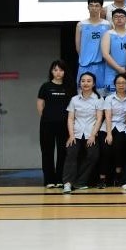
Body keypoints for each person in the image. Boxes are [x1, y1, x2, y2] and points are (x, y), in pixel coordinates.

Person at [61, 71, 103, 193]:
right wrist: (71, 135)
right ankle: (68, 183)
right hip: (76, 133)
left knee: (93, 155)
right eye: (83, 81)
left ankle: (79, 182)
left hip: (91, 133)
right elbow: (70, 118)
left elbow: (99, 119)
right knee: (71, 153)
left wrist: (93, 135)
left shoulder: (98, 99)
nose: (86, 83)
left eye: (89, 81)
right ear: (79, 83)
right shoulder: (74, 99)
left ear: (93, 84)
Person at [36, 60, 71, 189]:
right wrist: (47, 118)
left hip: (64, 125)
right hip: (47, 124)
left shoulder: (68, 87)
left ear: (64, 72)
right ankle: (49, 180)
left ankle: (60, 179)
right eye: (55, 70)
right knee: (47, 152)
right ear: (51, 71)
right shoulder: (45, 86)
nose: (58, 73)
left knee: (63, 152)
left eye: (61, 70)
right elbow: (40, 105)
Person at [98, 73, 126, 189]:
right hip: (107, 128)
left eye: (123, 83)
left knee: (119, 148)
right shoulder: (109, 98)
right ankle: (102, 178)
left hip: (123, 127)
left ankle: (118, 176)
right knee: (105, 150)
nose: (121, 85)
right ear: (115, 85)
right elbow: (107, 117)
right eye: (118, 83)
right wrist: (109, 134)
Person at [76, 0, 110, 94]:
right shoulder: (81, 25)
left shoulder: (107, 25)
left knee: (101, 95)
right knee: (82, 95)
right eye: (91, 5)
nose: (94, 8)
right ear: (88, 7)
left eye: (97, 6)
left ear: (101, 8)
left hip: (101, 65)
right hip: (85, 65)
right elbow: (78, 47)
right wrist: (86, 59)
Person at [101, 8, 126, 94]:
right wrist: (118, 68)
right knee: (111, 98)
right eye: (116, 17)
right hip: (111, 72)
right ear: (112, 19)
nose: (119, 19)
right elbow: (105, 54)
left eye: (121, 16)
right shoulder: (108, 34)